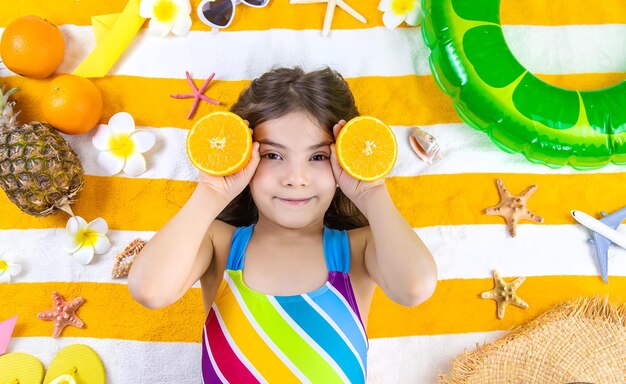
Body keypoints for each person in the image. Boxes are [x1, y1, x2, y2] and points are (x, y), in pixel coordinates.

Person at [128, 66, 438, 383]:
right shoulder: (220, 245)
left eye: (317, 157)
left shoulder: (358, 251)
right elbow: (149, 290)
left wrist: (372, 191)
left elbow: (415, 287)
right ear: (245, 155)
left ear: (343, 159)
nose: (295, 178)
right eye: (273, 155)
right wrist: (211, 191)